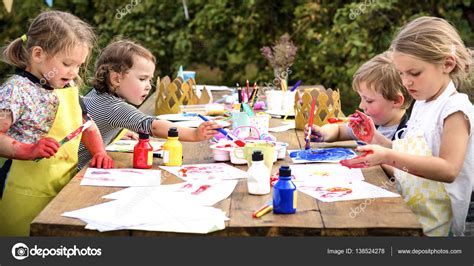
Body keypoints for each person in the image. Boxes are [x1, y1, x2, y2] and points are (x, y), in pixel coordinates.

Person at [344, 17, 473, 236]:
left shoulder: (455, 109)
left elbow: (448, 169)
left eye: (414, 73)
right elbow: (410, 153)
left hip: (440, 225)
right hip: (412, 212)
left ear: (447, 64)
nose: (406, 82)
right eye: (401, 73)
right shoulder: (423, 101)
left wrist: (385, 155)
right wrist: (375, 138)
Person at [0, 11, 114, 236]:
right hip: (20, 197)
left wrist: (99, 152)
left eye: (79, 66)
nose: (73, 72)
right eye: (67, 63)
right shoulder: (16, 91)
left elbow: (86, 125)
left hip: (62, 191)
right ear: (38, 54)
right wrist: (28, 149)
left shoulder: (68, 87)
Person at [77, 40, 221, 169]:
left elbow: (99, 120)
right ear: (116, 79)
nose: (148, 86)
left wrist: (118, 131)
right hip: (76, 173)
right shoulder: (115, 108)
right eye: (142, 79)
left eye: (150, 80)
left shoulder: (96, 95)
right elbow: (154, 126)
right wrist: (194, 134)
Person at [305, 51, 412, 143]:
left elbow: (405, 166)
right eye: (361, 98)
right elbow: (339, 130)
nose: (361, 106)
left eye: (369, 101)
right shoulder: (369, 124)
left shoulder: (408, 135)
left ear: (396, 100)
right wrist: (322, 133)